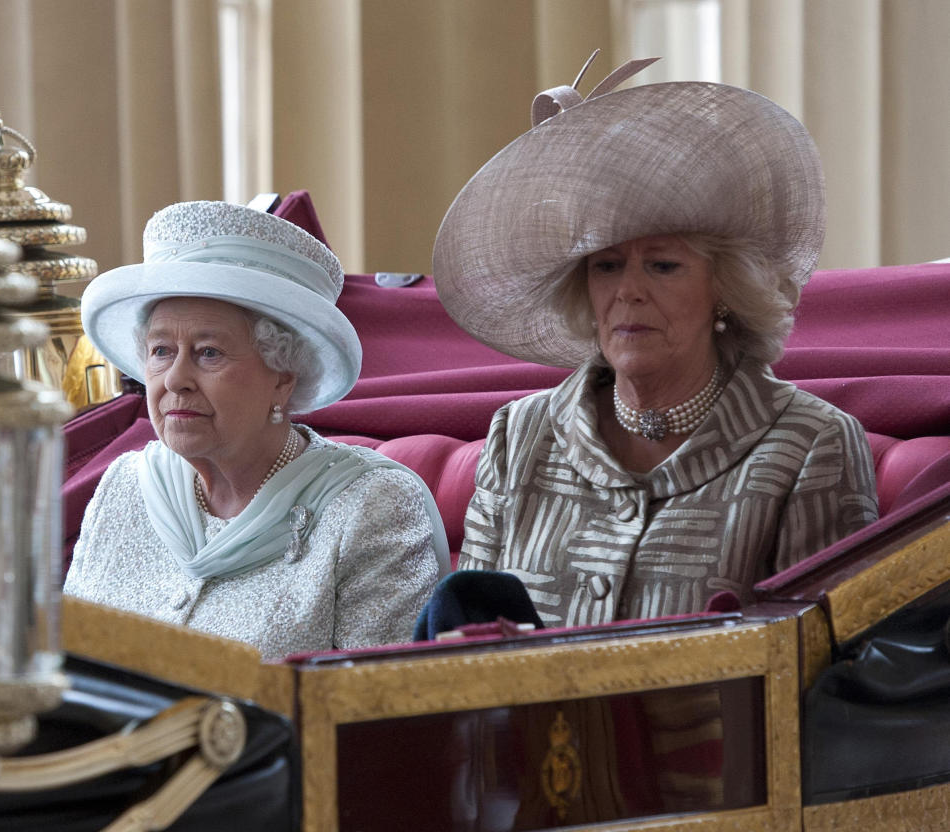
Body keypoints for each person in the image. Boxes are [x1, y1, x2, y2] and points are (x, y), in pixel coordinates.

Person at [431, 56, 878, 629]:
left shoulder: (811, 445)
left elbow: (817, 664)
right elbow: (465, 643)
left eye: (663, 266)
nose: (629, 292)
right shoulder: (520, 436)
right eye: (607, 266)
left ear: (724, 288)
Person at [66, 200, 448, 660]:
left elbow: (377, 713)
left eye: (208, 353)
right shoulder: (122, 487)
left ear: (284, 375)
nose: (175, 380)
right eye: (161, 350)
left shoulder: (370, 508)